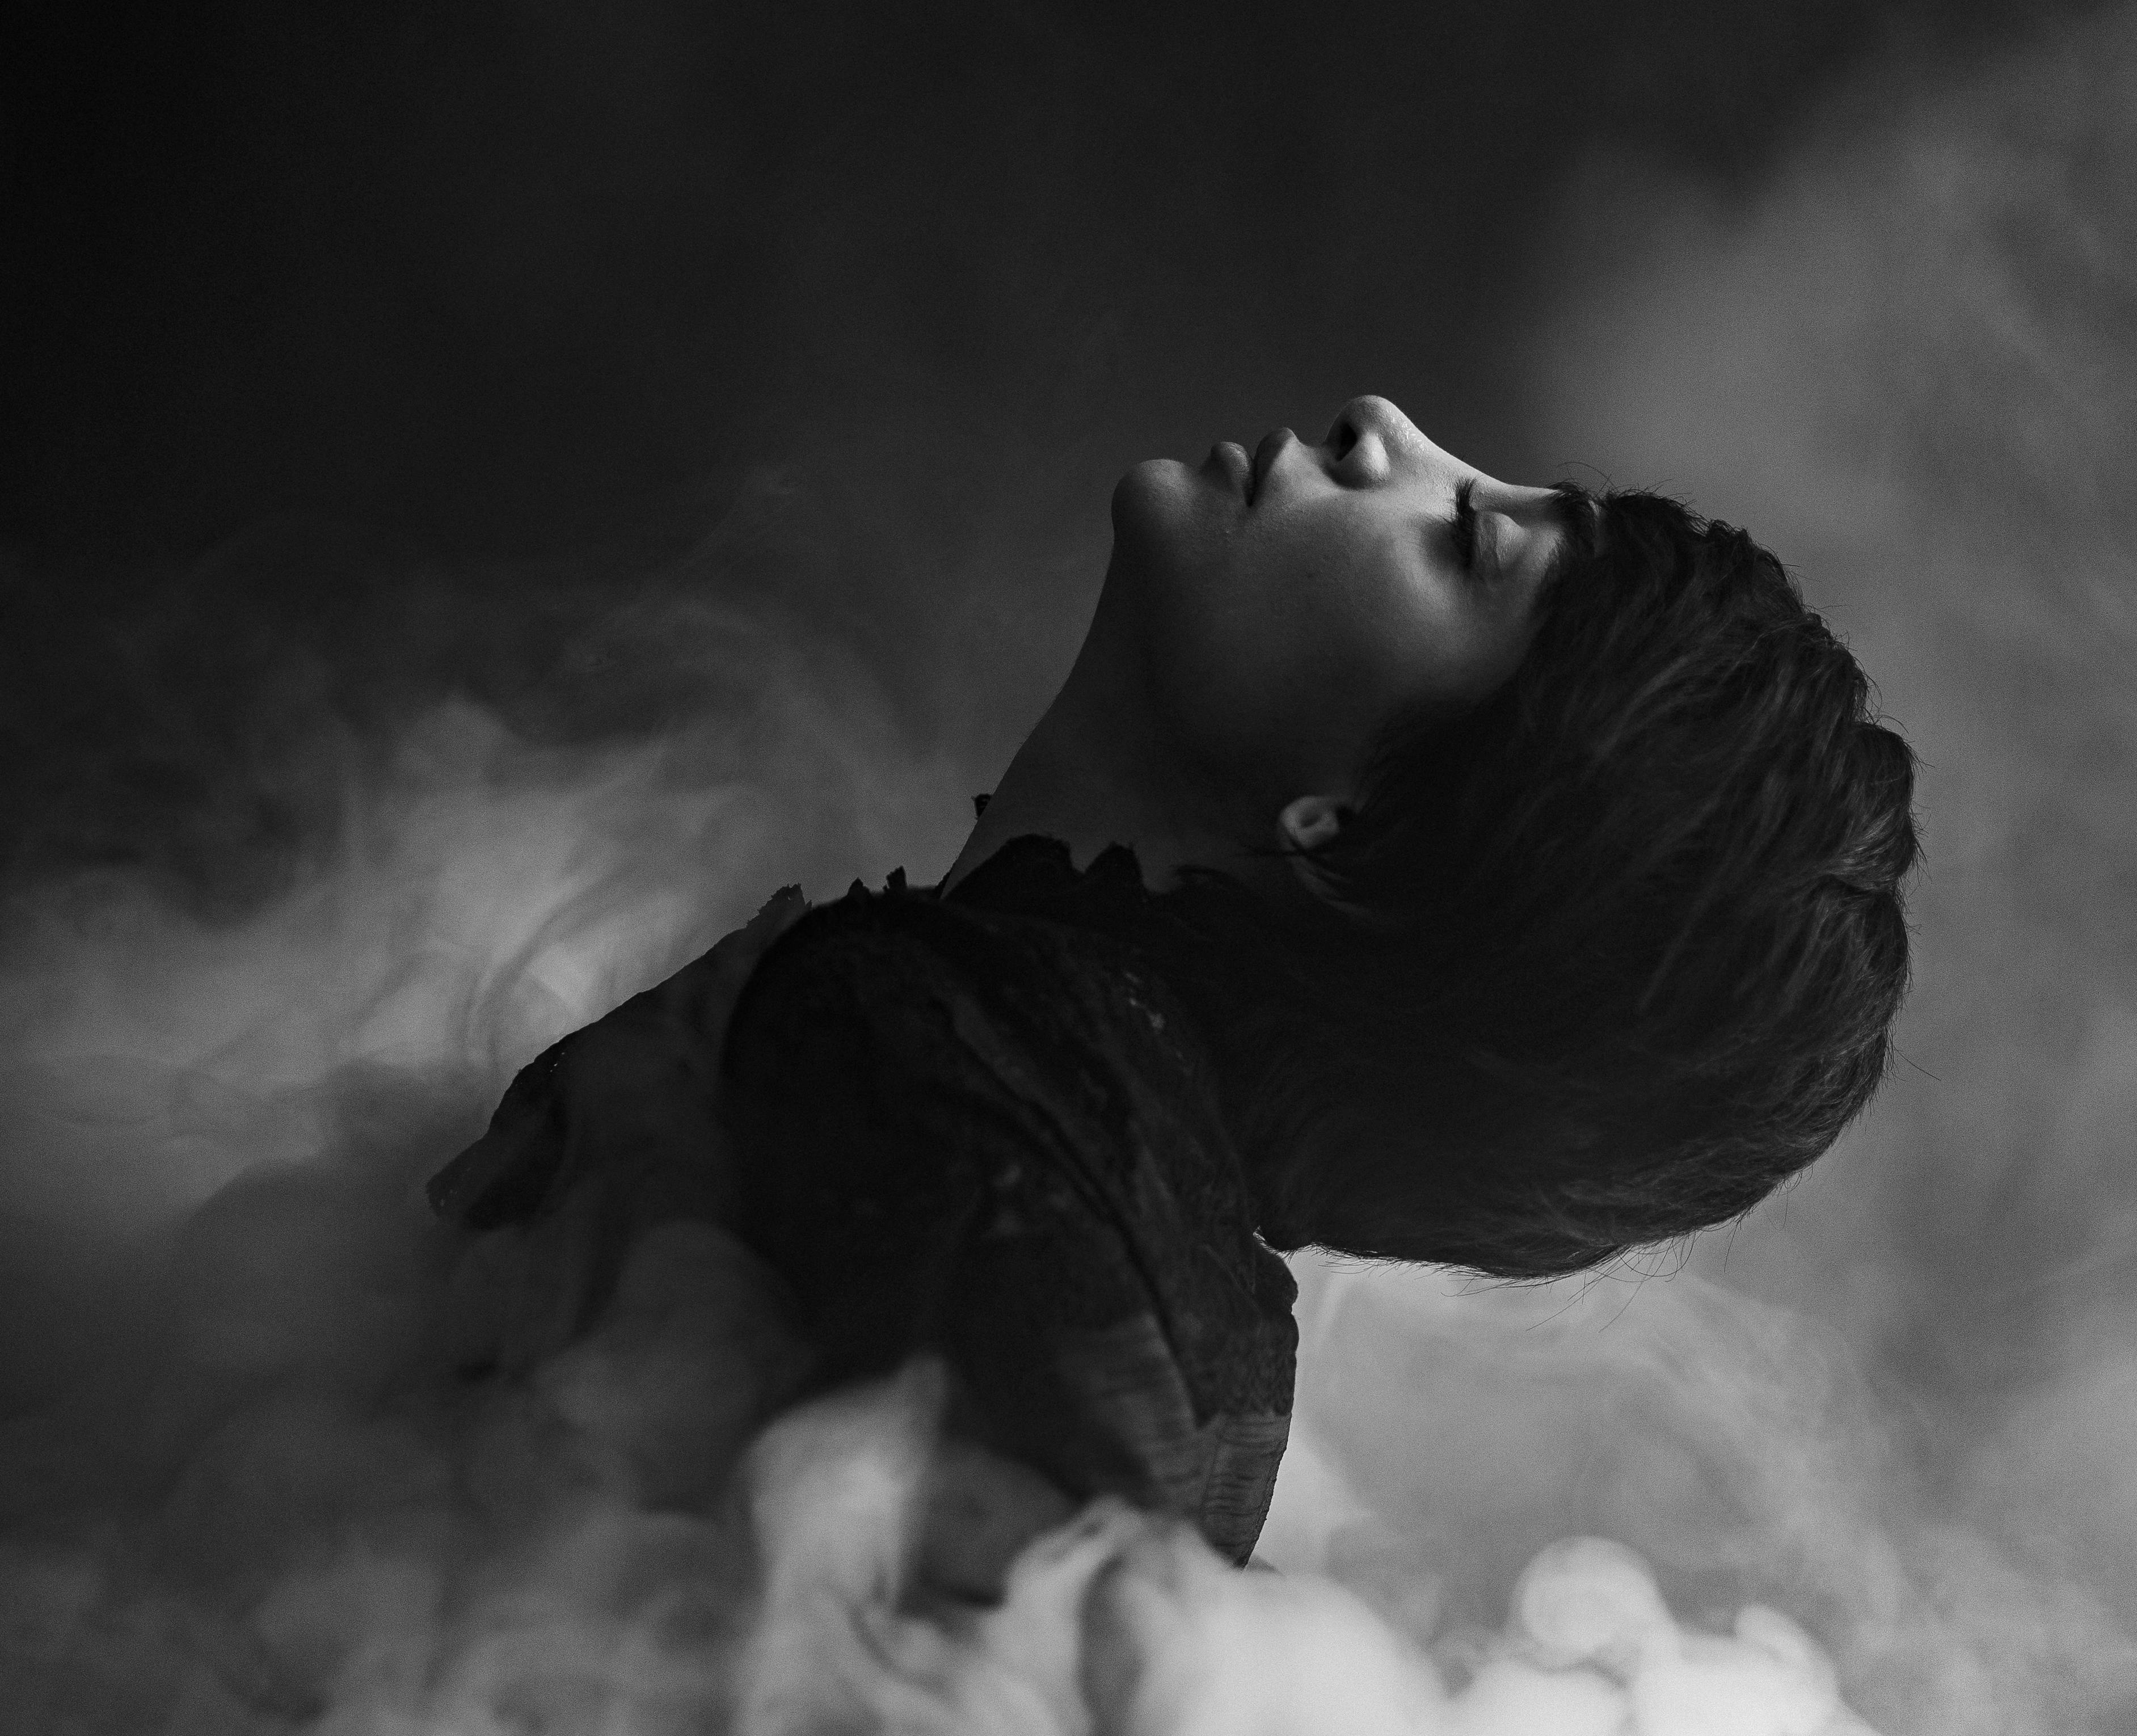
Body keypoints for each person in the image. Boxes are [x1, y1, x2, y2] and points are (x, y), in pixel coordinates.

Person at [431, 396, 1919, 1572]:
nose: (1381, 428)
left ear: (1351, 836)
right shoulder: (1069, 1135)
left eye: (1465, 544)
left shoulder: (973, 1106)